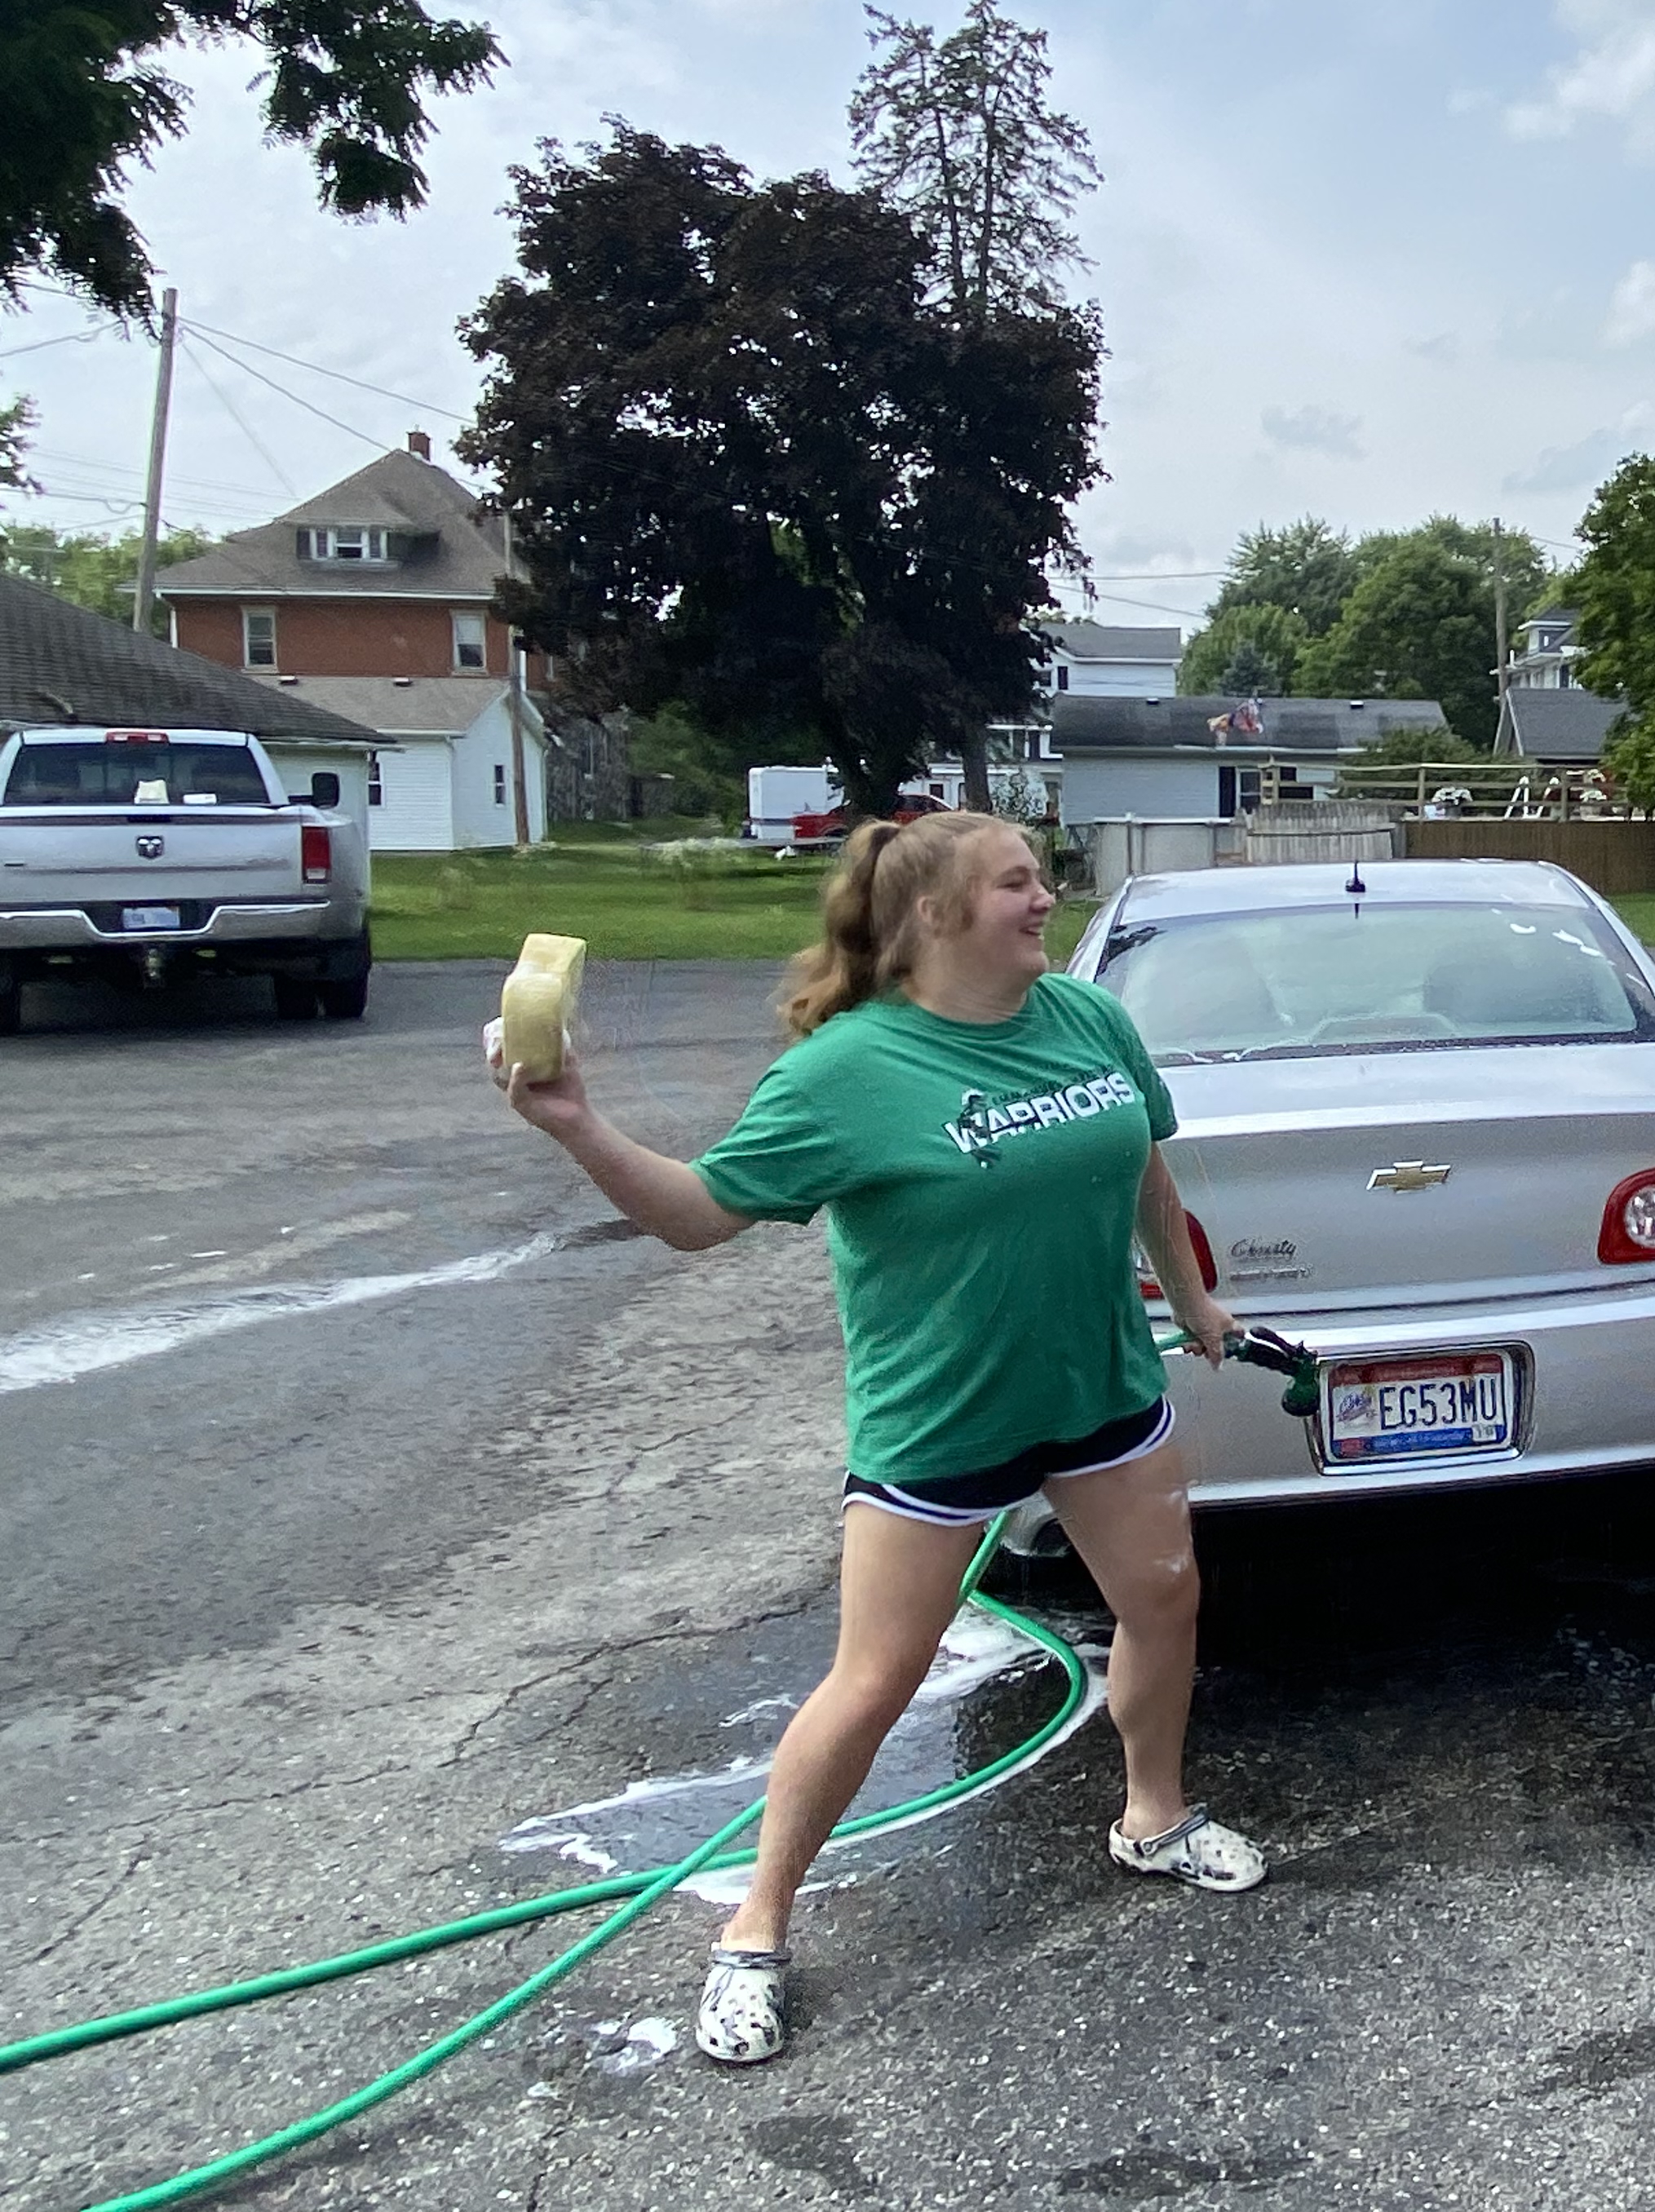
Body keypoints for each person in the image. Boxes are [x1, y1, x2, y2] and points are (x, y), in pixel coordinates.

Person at [492, 811, 1263, 2066]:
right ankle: (754, 1926)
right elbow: (697, 1216)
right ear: (935, 916)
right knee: (877, 1677)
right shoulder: (847, 1073)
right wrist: (577, 1122)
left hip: (1100, 1390)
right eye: (1018, 881)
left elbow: (1142, 1166)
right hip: (942, 1419)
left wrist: (1190, 1296)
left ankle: (1153, 1816)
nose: (1045, 896)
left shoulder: (1088, 1020)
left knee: (1166, 1597)